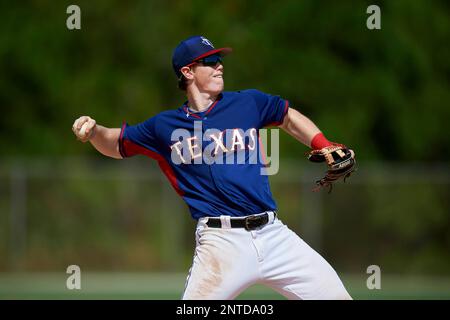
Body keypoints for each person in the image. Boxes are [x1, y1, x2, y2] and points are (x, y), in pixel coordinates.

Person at [72, 35, 354, 300]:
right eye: (209, 61)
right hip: (221, 243)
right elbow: (118, 143)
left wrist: (323, 142)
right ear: (188, 72)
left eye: (219, 60)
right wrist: (95, 131)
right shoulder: (164, 127)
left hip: (273, 234)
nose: (219, 66)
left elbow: (287, 116)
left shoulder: (247, 103)